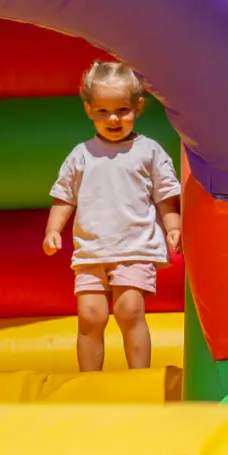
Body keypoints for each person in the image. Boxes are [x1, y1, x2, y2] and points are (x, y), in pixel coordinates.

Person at [43, 61, 182, 371]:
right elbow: (64, 196)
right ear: (89, 110)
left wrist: (173, 226)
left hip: (135, 248)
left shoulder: (149, 151)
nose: (114, 118)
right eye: (103, 111)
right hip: (92, 250)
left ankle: (139, 375)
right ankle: (90, 380)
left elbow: (165, 195)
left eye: (122, 110)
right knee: (90, 316)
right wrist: (54, 229)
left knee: (130, 309)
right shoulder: (82, 154)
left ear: (139, 107)